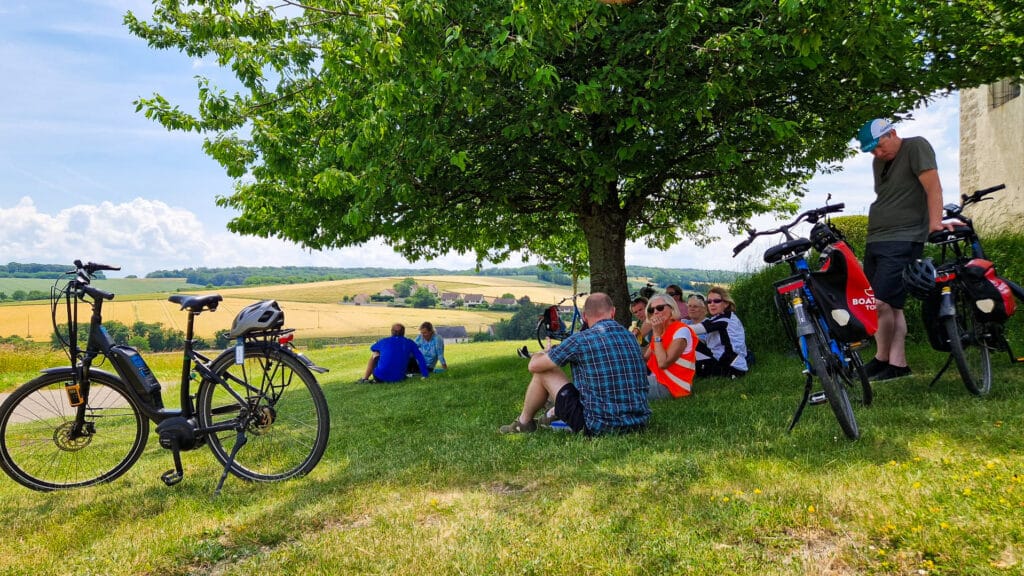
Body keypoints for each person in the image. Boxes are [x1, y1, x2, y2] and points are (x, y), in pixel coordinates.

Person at [857, 118, 953, 382]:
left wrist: (935, 224)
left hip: (904, 238)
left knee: (878, 303)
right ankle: (895, 364)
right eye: (872, 150)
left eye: (878, 146)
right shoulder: (879, 162)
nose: (877, 153)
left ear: (893, 133)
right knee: (892, 307)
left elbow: (933, 187)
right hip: (877, 239)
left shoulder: (916, 147)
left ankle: (881, 359)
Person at [499, 293, 650, 435]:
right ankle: (549, 415)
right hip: (638, 423)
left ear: (584, 317)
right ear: (613, 312)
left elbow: (534, 366)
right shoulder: (630, 337)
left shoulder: (580, 340)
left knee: (544, 371)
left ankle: (523, 423)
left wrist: (543, 353)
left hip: (598, 425)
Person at [643, 293, 698, 399]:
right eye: (651, 310)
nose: (655, 312)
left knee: (623, 386)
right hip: (657, 379)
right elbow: (645, 357)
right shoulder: (661, 330)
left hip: (672, 385)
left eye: (660, 308)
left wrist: (657, 335)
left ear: (672, 309)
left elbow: (663, 363)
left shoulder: (681, 330)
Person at [692, 286, 748, 378]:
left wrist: (671, 328)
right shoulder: (723, 317)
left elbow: (694, 329)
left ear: (726, 303)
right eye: (709, 302)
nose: (712, 304)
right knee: (691, 342)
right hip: (731, 361)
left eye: (716, 301)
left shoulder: (724, 320)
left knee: (686, 340)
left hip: (731, 368)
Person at [360, 323, 429, 383]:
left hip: (379, 378)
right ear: (403, 332)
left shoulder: (384, 341)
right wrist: (425, 374)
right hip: (399, 378)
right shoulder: (410, 342)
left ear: (392, 332)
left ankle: (365, 378)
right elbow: (420, 358)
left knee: (375, 353)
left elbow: (372, 348)